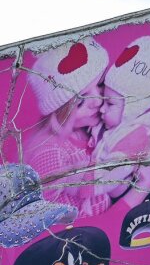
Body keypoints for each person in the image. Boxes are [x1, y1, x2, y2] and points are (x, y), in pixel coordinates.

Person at [91, 13, 150, 210]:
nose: (102, 108)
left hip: (127, 201)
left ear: (133, 107)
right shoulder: (121, 127)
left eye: (110, 104)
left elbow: (108, 181)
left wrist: (81, 188)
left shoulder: (136, 135)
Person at [24, 38, 110, 218]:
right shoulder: (50, 151)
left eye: (100, 84)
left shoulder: (93, 128)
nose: (97, 101)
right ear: (59, 112)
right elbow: (47, 208)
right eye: (80, 100)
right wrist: (94, 204)